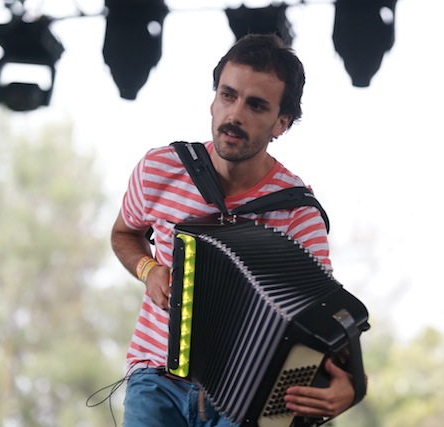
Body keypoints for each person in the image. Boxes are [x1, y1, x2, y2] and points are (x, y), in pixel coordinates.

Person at [111, 33, 357, 427]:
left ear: (281, 123)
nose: (235, 115)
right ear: (213, 100)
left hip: (245, 395)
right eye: (228, 95)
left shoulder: (297, 213)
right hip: (155, 375)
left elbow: (322, 319)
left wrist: (353, 385)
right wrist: (148, 269)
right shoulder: (160, 169)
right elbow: (124, 234)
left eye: (256, 105)